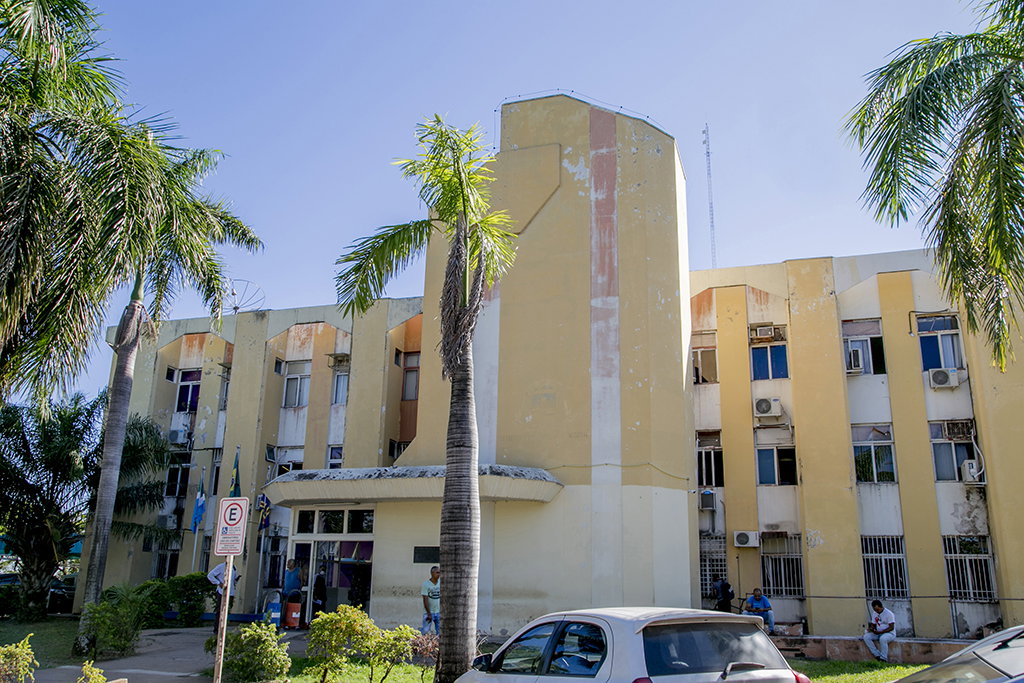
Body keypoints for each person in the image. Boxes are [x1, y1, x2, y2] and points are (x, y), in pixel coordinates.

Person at [207, 561, 240, 632]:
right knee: (220, 610)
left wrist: (236, 579)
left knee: (226, 610)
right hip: (222, 592)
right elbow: (210, 575)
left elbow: (233, 581)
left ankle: (223, 627)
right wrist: (218, 583)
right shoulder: (221, 566)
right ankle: (217, 628)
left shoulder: (233, 567)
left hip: (230, 592)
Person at [420, 565, 441, 634]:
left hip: (438, 612)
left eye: (439, 573)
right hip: (428, 612)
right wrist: (429, 613)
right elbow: (425, 599)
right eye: (437, 573)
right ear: (432, 573)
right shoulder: (426, 584)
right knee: (425, 631)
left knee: (439, 632)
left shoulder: (441, 583)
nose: (439, 574)